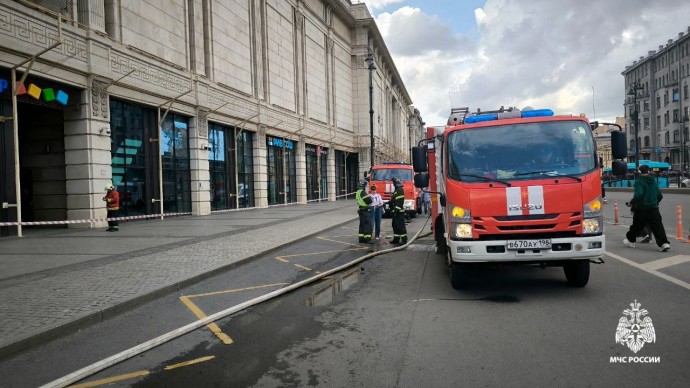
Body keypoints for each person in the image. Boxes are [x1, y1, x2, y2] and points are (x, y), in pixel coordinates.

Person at [623, 165, 670, 251]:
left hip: (641, 208)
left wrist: (631, 203)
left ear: (639, 172)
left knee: (636, 226)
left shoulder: (639, 181)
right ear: (648, 171)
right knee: (658, 226)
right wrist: (655, 202)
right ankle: (664, 243)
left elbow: (639, 194)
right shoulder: (653, 181)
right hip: (653, 208)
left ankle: (631, 241)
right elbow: (660, 195)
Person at [389, 177, 407, 244]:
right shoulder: (397, 190)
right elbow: (394, 200)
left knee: (400, 226)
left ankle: (404, 240)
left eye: (393, 182)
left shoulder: (399, 190)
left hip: (398, 212)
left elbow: (399, 202)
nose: (393, 184)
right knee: (395, 226)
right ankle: (396, 239)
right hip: (395, 212)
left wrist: (395, 210)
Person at [355, 178, 373, 243]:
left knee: (362, 225)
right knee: (367, 225)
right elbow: (369, 201)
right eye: (366, 185)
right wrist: (371, 199)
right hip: (365, 210)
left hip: (361, 210)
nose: (366, 186)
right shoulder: (362, 192)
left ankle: (361, 238)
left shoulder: (358, 192)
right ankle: (367, 239)